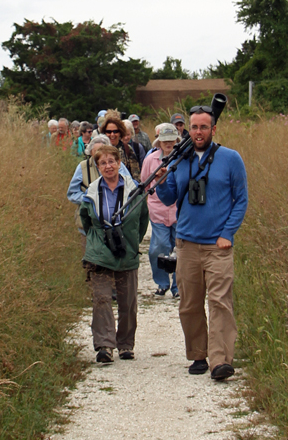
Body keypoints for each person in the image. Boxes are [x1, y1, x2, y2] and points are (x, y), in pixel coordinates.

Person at [155, 106, 248, 380]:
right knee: (190, 303)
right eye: (194, 127)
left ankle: (220, 361)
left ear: (213, 129)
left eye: (203, 127)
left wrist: (227, 233)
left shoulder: (231, 159)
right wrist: (161, 181)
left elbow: (241, 199)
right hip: (186, 244)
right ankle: (198, 354)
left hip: (218, 246)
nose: (198, 132)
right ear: (188, 130)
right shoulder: (180, 160)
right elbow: (170, 197)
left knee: (220, 302)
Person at [79, 142, 149, 363]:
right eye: (103, 163)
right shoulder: (91, 193)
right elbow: (86, 220)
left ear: (119, 163)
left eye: (112, 161)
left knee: (128, 301)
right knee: (101, 298)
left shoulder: (134, 191)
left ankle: (126, 344)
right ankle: (104, 345)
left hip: (126, 249)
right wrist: (96, 241)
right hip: (99, 251)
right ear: (97, 167)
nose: (108, 166)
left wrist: (131, 241)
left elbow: (142, 220)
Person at [140, 122, 180, 297]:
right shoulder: (151, 159)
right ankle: (162, 282)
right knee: (159, 246)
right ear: (159, 142)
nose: (168, 143)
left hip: (179, 210)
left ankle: (179, 286)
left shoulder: (183, 158)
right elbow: (145, 182)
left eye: (172, 140)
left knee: (180, 247)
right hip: (158, 209)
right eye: (165, 140)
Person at [100, 111, 143, 180]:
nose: (112, 135)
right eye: (109, 132)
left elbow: (136, 175)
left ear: (120, 132)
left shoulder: (127, 149)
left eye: (115, 131)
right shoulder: (99, 150)